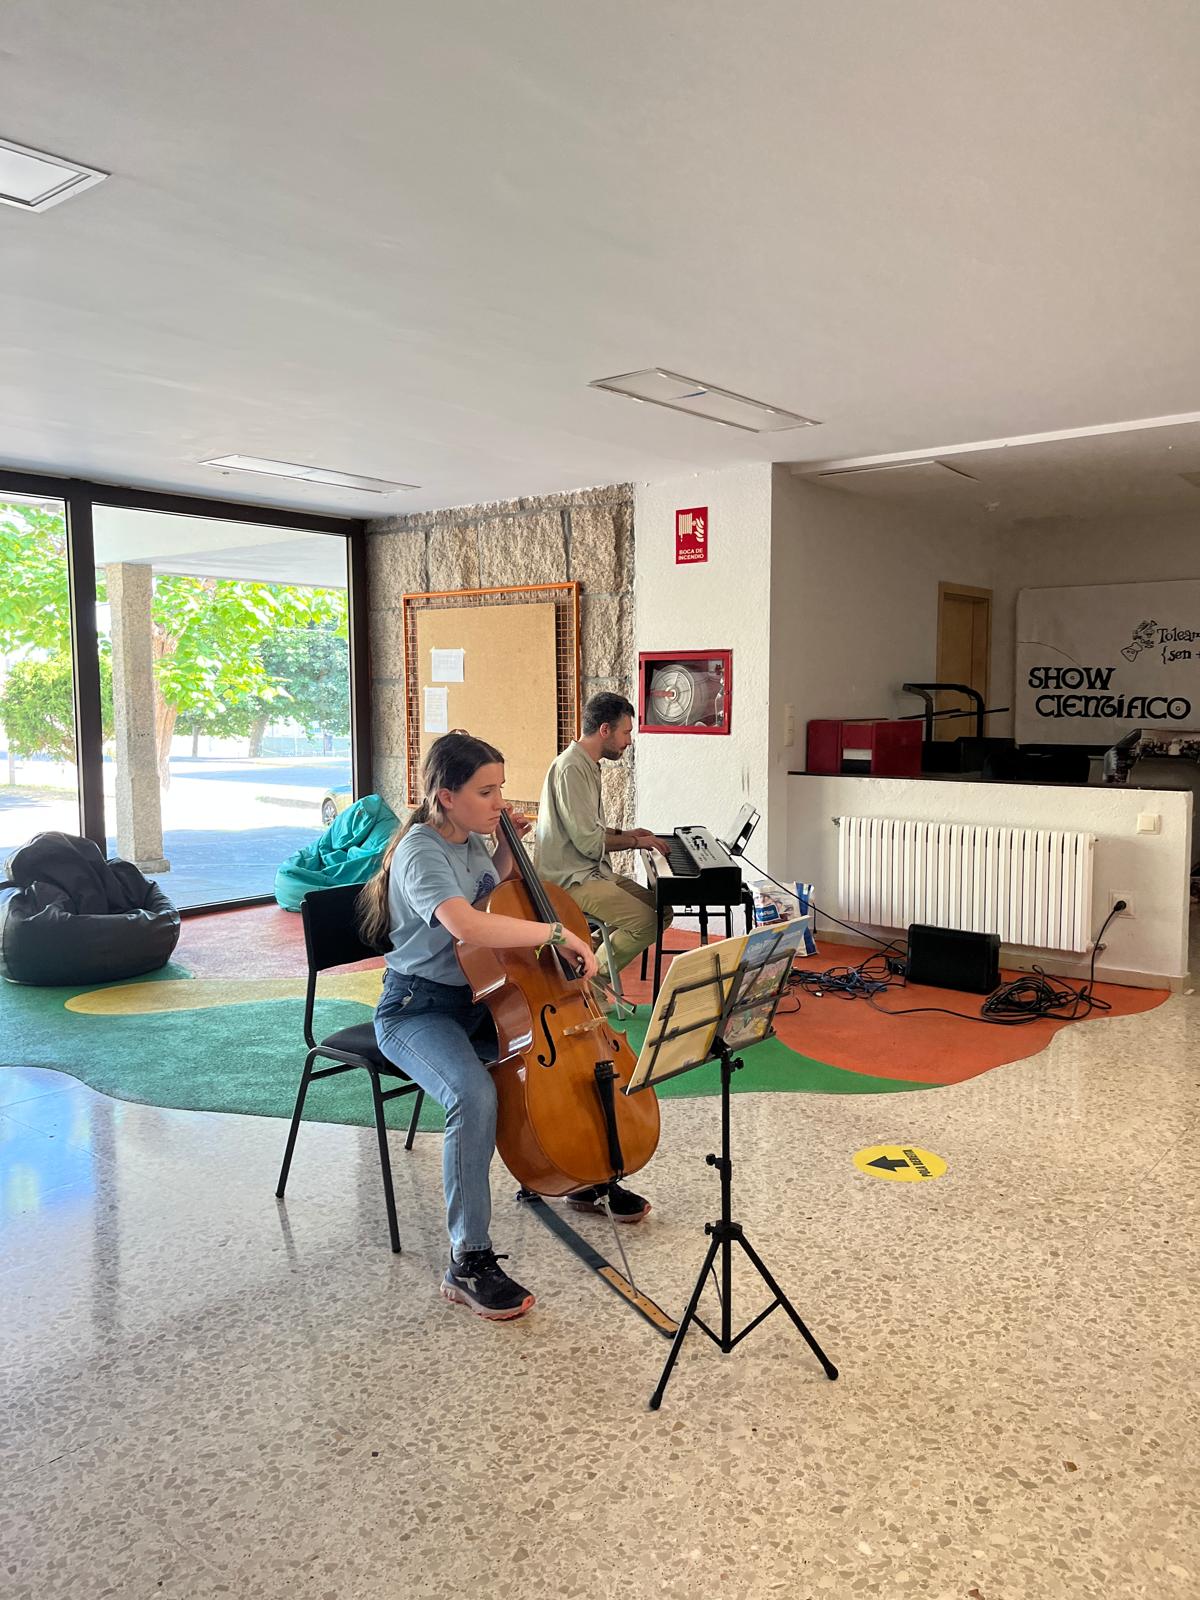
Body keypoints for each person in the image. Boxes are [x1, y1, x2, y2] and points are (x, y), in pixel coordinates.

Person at [360, 731, 631, 1323]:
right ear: (444, 795)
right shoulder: (420, 850)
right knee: (473, 1094)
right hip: (417, 1007)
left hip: (481, 998)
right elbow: (467, 927)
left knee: (564, 1065)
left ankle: (576, 1172)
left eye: (501, 789)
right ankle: (468, 1259)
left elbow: (494, 896)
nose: (499, 803)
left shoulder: (475, 838)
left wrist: (510, 851)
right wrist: (556, 933)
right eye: (486, 792)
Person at [535, 690, 671, 1003]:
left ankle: (580, 960)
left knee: (662, 909)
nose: (629, 741)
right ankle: (591, 982)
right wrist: (636, 842)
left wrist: (626, 832)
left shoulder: (586, 764)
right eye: (626, 732)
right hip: (569, 880)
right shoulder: (571, 768)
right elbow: (587, 841)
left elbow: (587, 828)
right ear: (605, 730)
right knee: (646, 923)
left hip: (590, 871)